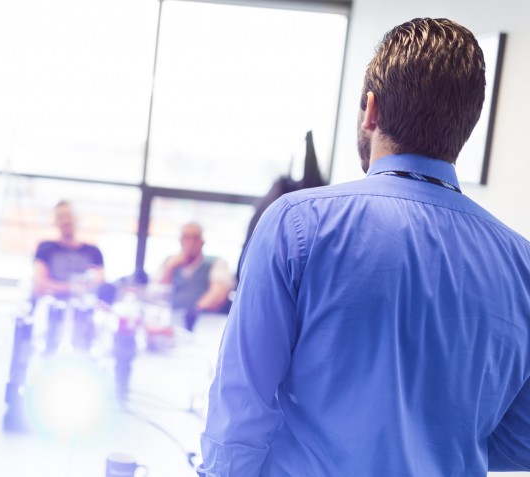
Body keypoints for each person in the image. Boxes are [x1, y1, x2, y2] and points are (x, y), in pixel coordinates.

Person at [199, 18, 530, 476]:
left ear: (371, 110)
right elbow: (520, 442)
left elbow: (240, 409)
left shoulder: (299, 225)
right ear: (466, 127)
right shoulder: (523, 266)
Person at [157, 222, 233, 329]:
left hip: (205, 324)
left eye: (195, 238)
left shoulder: (216, 263)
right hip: (172, 323)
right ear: (180, 240)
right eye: (186, 237)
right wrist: (171, 267)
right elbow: (159, 293)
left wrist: (195, 310)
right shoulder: (169, 262)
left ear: (202, 242)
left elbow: (218, 294)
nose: (190, 242)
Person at [32, 200, 105, 299]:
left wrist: (55, 287)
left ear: (76, 218)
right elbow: (39, 285)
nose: (65, 221)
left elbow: (100, 283)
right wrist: (71, 288)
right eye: (60, 217)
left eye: (68, 215)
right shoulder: (45, 249)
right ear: (55, 221)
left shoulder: (93, 251)